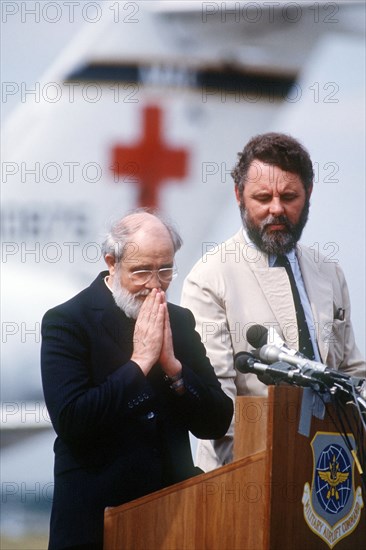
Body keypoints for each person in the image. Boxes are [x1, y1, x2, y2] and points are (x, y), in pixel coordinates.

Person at [41, 210, 233, 550]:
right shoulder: (68, 322)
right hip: (96, 522)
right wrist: (139, 363)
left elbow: (216, 421)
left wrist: (174, 370)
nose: (154, 285)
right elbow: (72, 421)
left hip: (173, 518)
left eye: (166, 270)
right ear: (112, 263)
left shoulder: (179, 321)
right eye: (141, 271)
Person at [181, 132, 365, 472]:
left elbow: (351, 372)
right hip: (246, 476)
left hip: (332, 472)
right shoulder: (209, 278)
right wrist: (279, 459)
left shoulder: (330, 272)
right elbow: (218, 403)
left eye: (289, 196)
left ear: (308, 194)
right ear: (239, 196)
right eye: (263, 197)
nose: (276, 209)